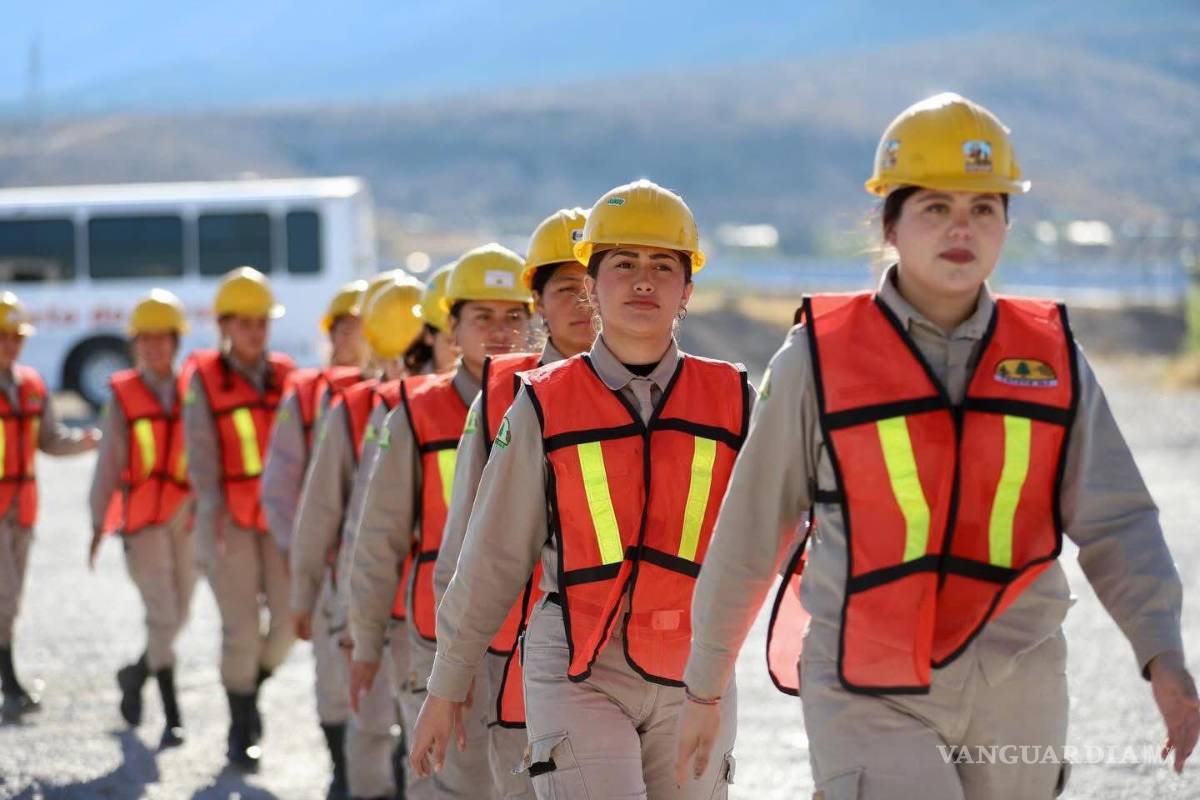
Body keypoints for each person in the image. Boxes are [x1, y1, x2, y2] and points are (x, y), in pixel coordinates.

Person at [675, 93, 1200, 800]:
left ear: (1007, 224)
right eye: (935, 208)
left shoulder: (1051, 357)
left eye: (984, 209)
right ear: (890, 224)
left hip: (1017, 675)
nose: (962, 228)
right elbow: (751, 529)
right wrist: (703, 687)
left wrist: (1163, 657)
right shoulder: (818, 360)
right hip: (866, 679)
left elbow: (1117, 521)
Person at [411, 179, 749, 799]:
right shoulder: (543, 402)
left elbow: (773, 538)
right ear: (592, 286)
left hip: (694, 668)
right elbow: (491, 556)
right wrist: (447, 685)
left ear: (687, 290)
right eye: (623, 264)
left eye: (662, 266)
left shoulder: (734, 399)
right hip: (577, 664)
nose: (644, 281)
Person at [350, 244, 532, 798]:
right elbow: (377, 537)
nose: (499, 332)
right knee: (449, 785)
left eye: (513, 317)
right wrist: (363, 642)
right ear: (451, 328)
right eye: (482, 317)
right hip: (436, 638)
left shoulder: (543, 404)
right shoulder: (415, 413)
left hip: (528, 642)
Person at [429, 206, 593, 798]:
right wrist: (453, 665)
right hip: (517, 662)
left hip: (638, 662)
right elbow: (464, 548)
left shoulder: (661, 397)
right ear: (540, 305)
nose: (584, 304)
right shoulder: (503, 400)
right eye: (565, 289)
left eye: (591, 287)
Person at [292, 276, 425, 800]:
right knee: (367, 727)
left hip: (428, 606)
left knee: (417, 736)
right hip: (365, 600)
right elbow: (320, 515)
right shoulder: (350, 411)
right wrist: (309, 598)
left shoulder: (463, 408)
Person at [258, 276, 377, 797]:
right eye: (347, 326)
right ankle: (340, 770)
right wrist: (302, 551)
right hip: (330, 561)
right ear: (331, 333)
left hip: (381, 563)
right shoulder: (307, 395)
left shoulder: (404, 390)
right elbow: (280, 484)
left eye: (365, 326)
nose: (356, 336)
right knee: (333, 677)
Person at [182, 266, 295, 770]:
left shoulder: (289, 375)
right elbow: (202, 460)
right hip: (229, 522)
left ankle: (251, 689)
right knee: (241, 631)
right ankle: (240, 725)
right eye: (245, 322)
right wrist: (212, 523)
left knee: (291, 623)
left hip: (279, 522)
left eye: (262, 322)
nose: (255, 331)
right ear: (224, 325)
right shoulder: (203, 378)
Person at [88, 289, 195, 748]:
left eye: (162, 339)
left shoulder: (195, 389)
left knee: (182, 612)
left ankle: (135, 674)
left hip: (184, 516)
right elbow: (108, 464)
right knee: (163, 614)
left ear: (175, 342)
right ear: (136, 345)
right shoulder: (124, 395)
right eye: (145, 340)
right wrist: (97, 525)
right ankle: (172, 715)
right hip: (142, 520)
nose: (154, 347)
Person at [0, 291, 99, 722]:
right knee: (3, 599)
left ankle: (10, 682)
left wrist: (89, 441)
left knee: (12, 599)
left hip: (22, 509)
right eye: (4, 336)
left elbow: (50, 441)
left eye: (16, 337)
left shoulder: (33, 386)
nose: (11, 344)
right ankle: (11, 685)